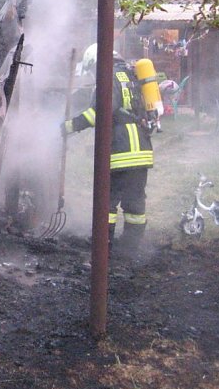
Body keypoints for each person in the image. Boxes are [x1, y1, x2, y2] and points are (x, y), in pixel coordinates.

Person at [63, 44, 154, 252]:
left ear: (97, 63)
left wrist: (68, 127)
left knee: (107, 200)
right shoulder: (132, 76)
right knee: (135, 202)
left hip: (121, 150)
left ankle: (104, 245)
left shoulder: (108, 78)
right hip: (142, 150)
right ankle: (130, 247)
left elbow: (99, 113)